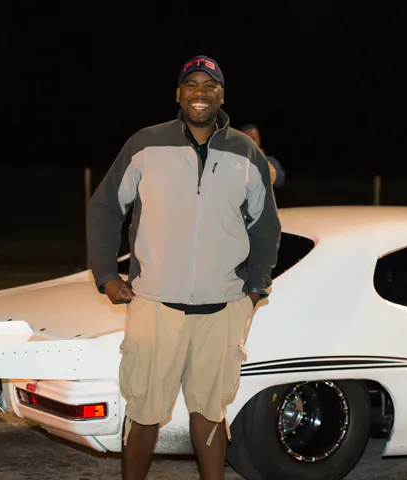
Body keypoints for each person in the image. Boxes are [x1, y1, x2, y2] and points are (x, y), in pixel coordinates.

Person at [86, 54, 281, 480]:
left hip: (222, 310)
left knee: (211, 414)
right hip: (155, 306)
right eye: (191, 84)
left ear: (221, 95)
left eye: (209, 85)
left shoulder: (245, 152)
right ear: (178, 94)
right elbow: (104, 207)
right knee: (144, 413)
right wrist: (106, 275)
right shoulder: (145, 144)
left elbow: (267, 226)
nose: (200, 93)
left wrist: (254, 288)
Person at [241, 123, 286, 187]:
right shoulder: (233, 160)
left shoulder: (270, 161)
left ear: (259, 140)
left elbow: (279, 180)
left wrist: (263, 161)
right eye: (246, 139)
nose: (250, 142)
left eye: (253, 139)